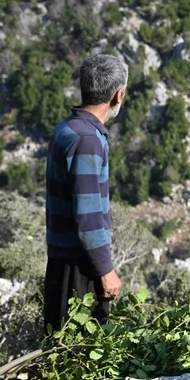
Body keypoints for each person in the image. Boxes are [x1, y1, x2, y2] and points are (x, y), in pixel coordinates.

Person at [44, 54, 128, 333]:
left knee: (61, 343)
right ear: (118, 95)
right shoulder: (88, 140)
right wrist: (106, 271)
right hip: (79, 267)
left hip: (64, 261)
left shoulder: (69, 127)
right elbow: (87, 215)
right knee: (81, 347)